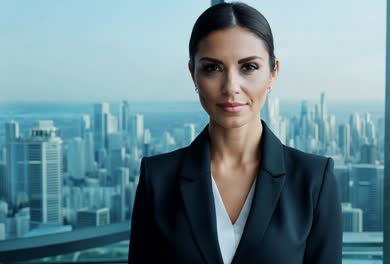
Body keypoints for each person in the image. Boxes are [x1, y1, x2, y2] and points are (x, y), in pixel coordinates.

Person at [128, 2, 342, 263]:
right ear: (193, 74)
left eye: (249, 67)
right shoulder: (158, 179)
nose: (231, 87)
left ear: (273, 72)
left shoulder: (313, 180)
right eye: (212, 68)